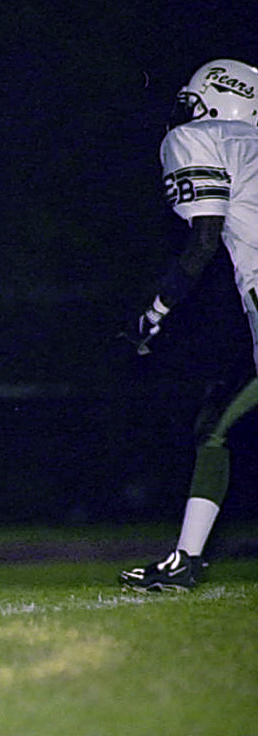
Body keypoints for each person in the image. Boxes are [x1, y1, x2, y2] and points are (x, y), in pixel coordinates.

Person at [119, 58, 258, 592]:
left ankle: (186, 560)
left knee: (215, 425)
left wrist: (154, 314)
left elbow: (204, 238)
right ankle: (186, 560)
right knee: (216, 420)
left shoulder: (199, 137)